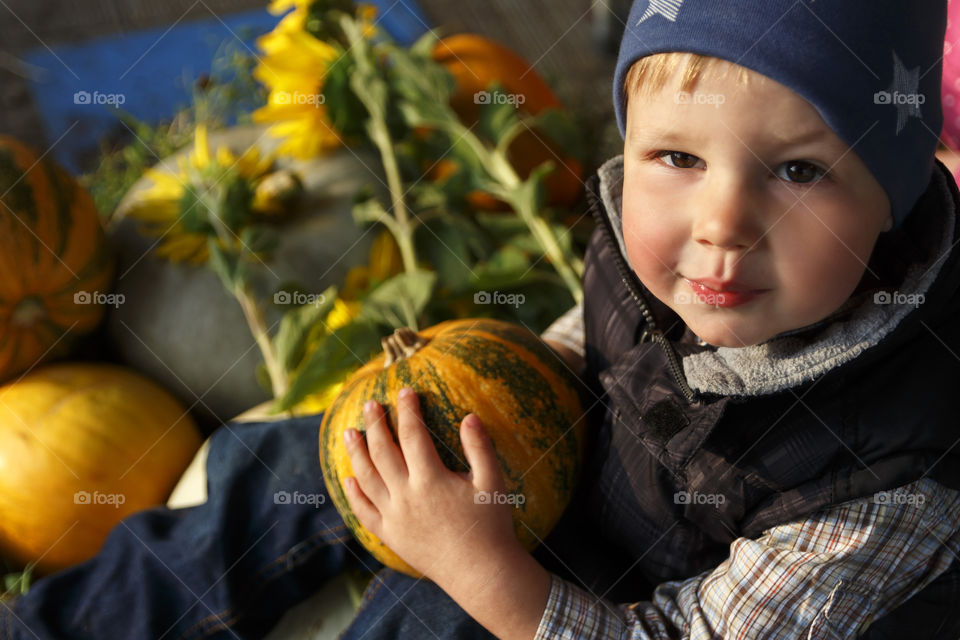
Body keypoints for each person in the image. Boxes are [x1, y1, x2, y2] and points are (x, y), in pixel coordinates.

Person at [5, 1, 960, 638]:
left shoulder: (887, 486)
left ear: (895, 200)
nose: (721, 226)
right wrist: (480, 386)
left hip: (602, 598)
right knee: (300, 468)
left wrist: (478, 565)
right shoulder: (652, 245)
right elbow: (600, 339)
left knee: (426, 615)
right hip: (561, 477)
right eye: (677, 158)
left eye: (799, 172)